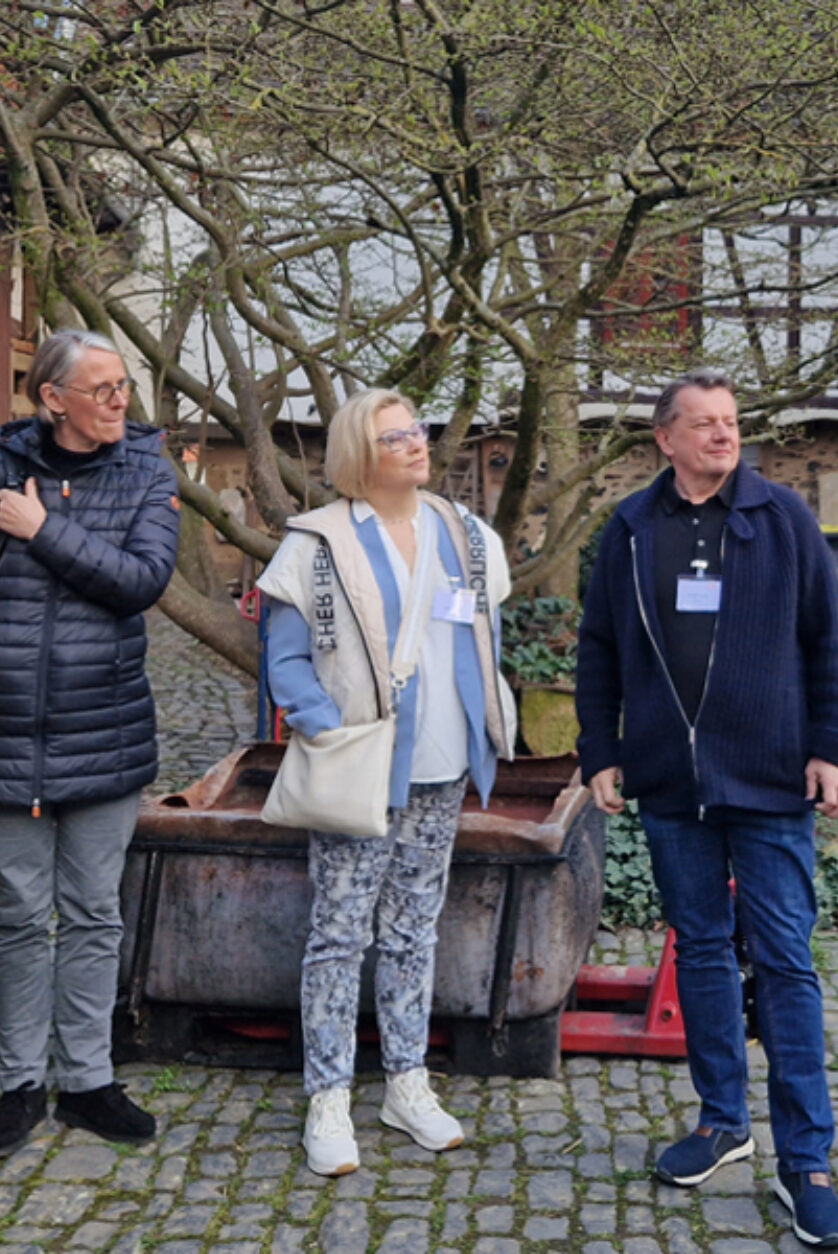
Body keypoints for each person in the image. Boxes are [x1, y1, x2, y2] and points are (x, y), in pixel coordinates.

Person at [574, 368, 838, 1249]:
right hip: (672, 783)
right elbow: (598, 650)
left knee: (784, 964)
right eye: (702, 424)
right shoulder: (630, 531)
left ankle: (806, 1160)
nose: (721, 436)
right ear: (664, 438)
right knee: (699, 950)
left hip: (773, 780)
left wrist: (832, 749)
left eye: (730, 423)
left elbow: (831, 637)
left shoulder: (782, 521)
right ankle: (721, 1122)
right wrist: (602, 752)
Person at [0, 329, 179, 1158]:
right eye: (102, 388)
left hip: (101, 733)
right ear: (53, 399)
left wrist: (41, 530)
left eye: (123, 386)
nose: (119, 400)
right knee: (16, 916)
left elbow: (141, 582)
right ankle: (18, 1084)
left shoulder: (146, 473)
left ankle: (90, 1080)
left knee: (94, 913)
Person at [254, 389, 515, 1176]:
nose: (414, 444)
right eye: (393, 436)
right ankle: (328, 1097)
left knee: (414, 929)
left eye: (417, 432)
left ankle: (406, 1082)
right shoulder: (319, 543)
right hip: (360, 767)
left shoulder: (466, 535)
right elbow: (285, 658)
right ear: (358, 455)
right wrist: (325, 728)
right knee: (339, 933)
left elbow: (484, 636)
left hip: (443, 767)